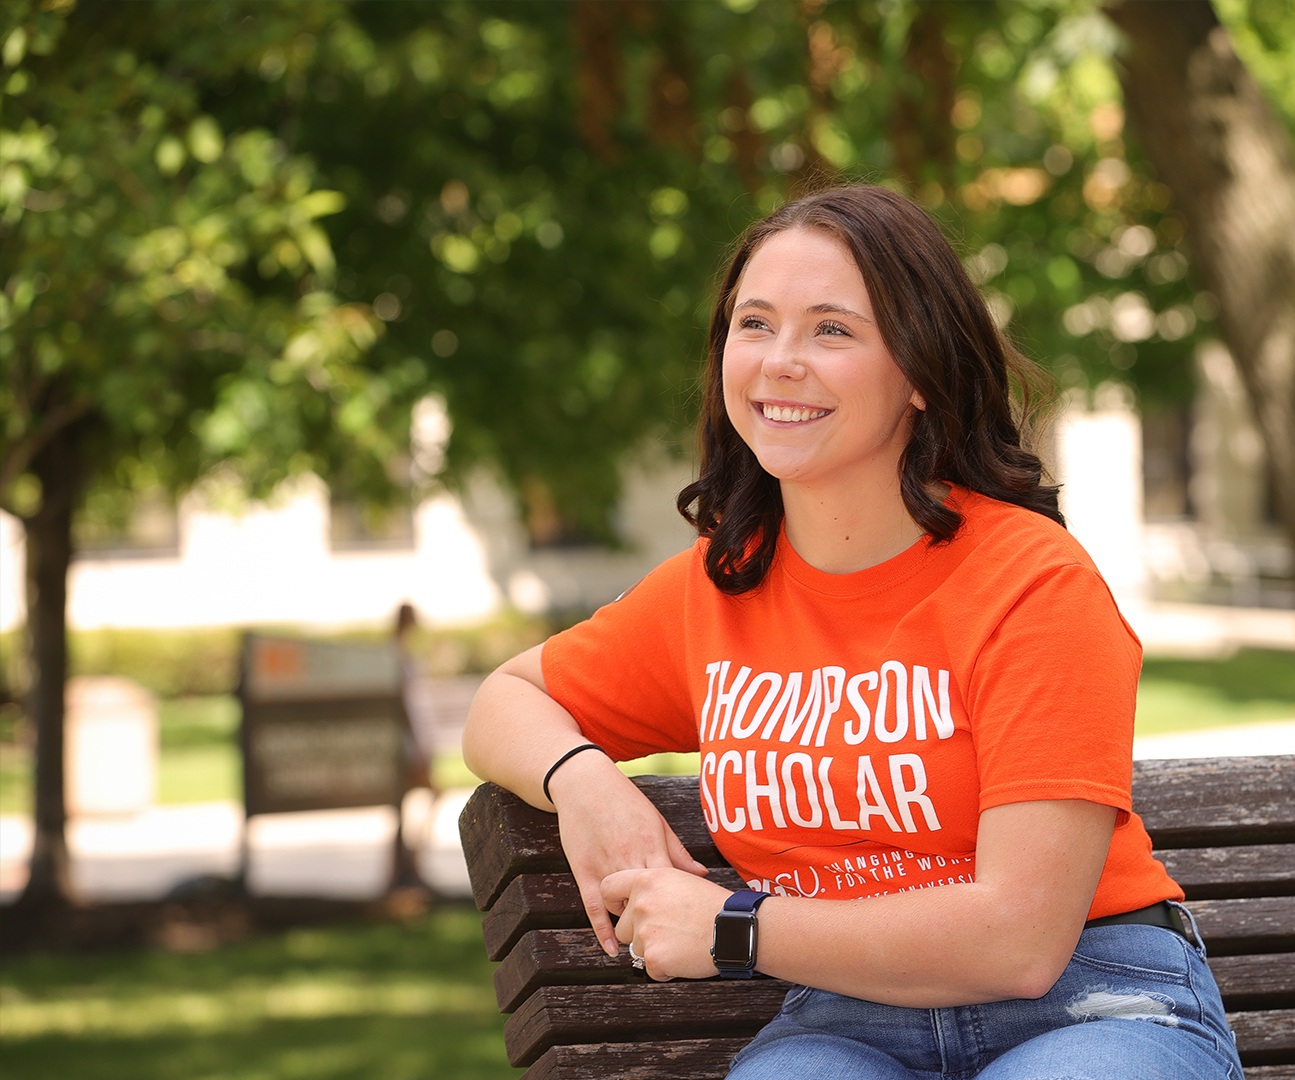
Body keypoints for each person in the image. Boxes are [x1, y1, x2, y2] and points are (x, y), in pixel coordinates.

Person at [462, 184, 1244, 1079]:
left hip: (1091, 1001)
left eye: (832, 330)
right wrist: (584, 780)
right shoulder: (720, 586)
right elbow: (505, 701)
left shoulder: (1031, 582)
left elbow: (1018, 942)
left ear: (918, 373)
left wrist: (731, 927)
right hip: (845, 1022)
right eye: (754, 324)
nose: (780, 361)